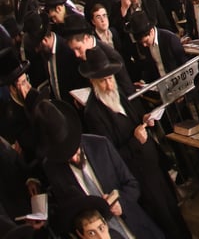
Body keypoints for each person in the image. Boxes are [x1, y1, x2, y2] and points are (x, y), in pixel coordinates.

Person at [77, 46, 188, 236]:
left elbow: (135, 118)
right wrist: (135, 140)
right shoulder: (93, 113)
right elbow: (111, 155)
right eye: (103, 81)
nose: (109, 85)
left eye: (111, 78)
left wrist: (145, 119)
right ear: (92, 82)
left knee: (173, 209)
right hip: (137, 175)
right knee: (162, 219)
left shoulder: (119, 93)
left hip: (153, 166)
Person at [34, 98, 166, 239]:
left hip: (133, 228)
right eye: (66, 156)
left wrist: (121, 203)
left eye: (75, 151)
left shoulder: (100, 145)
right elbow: (67, 212)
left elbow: (132, 184)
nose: (73, 158)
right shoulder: (51, 168)